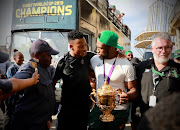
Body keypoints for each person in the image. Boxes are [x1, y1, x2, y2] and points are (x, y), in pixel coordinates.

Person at [88, 30, 138, 130]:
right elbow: (91, 74)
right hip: (98, 108)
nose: (97, 50)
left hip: (118, 111)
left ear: (111, 47)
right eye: (97, 47)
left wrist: (127, 96)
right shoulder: (94, 60)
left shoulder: (126, 65)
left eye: (100, 48)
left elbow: (134, 90)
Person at [134, 32, 180, 129]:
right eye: (159, 48)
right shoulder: (141, 67)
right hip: (143, 119)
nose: (163, 51)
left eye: (167, 47)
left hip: (167, 122)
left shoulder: (178, 69)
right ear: (152, 49)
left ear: (171, 48)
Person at [10, 39, 59, 130]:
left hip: (41, 122)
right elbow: (13, 83)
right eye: (48, 55)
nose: (51, 58)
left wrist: (47, 119)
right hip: (28, 124)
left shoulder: (46, 68)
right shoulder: (29, 69)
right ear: (37, 56)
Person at [53, 30, 95, 130]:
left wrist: (119, 55)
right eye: (81, 46)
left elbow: (107, 57)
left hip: (84, 107)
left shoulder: (91, 57)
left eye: (85, 45)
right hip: (66, 109)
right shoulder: (62, 61)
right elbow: (52, 83)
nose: (84, 48)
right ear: (71, 47)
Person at [5, 49, 24, 130]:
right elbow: (12, 82)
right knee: (9, 115)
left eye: (23, 58)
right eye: (20, 58)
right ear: (14, 58)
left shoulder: (24, 67)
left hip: (21, 97)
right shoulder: (11, 69)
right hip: (12, 97)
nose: (22, 59)